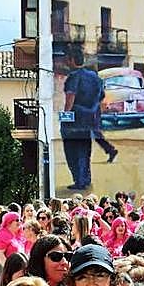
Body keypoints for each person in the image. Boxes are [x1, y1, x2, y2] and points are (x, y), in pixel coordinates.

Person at [61, 49, 104, 192]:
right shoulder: (95, 77)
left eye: (68, 59)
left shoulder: (73, 77)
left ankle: (78, 180)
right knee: (85, 150)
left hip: (74, 119)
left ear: (72, 60)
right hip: (89, 119)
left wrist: (65, 116)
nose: (67, 62)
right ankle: (85, 178)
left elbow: (70, 97)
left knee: (72, 150)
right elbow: (101, 96)